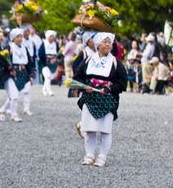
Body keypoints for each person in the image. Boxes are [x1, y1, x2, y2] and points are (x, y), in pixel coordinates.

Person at [73, 33, 127, 167]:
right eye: (105, 42)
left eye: (110, 42)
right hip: (90, 98)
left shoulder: (115, 63)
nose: (108, 44)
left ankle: (102, 157)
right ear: (98, 44)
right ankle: (89, 155)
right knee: (89, 129)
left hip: (108, 100)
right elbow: (77, 77)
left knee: (105, 130)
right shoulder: (88, 60)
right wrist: (85, 87)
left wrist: (110, 88)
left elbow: (122, 83)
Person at [0, 28, 35, 122]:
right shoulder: (8, 48)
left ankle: (2, 110)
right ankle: (14, 115)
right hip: (10, 74)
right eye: (18, 37)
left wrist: (31, 75)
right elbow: (2, 61)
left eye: (21, 36)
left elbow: (29, 63)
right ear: (13, 38)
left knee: (14, 94)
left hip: (22, 73)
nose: (20, 39)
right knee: (14, 95)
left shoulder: (24, 48)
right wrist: (9, 69)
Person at [38, 30, 60, 96]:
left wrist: (55, 59)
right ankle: (49, 90)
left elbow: (58, 53)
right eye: (50, 36)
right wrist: (47, 59)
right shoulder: (43, 43)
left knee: (50, 77)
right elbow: (40, 53)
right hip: (44, 63)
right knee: (47, 76)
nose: (52, 38)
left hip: (53, 64)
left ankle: (44, 89)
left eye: (53, 36)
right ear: (47, 37)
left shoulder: (55, 44)